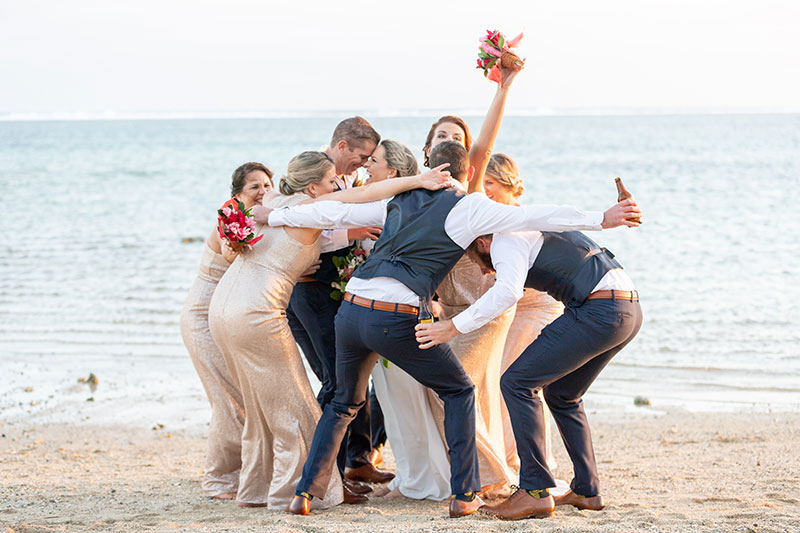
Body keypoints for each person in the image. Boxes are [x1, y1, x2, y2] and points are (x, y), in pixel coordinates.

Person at [258, 140, 641, 517]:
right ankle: (466, 496)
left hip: (352, 308)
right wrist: (601, 219)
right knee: (461, 390)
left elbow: (332, 216)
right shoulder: (472, 207)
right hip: (395, 313)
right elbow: (537, 215)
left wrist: (271, 217)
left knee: (343, 401)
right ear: (467, 173)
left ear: (431, 170)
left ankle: (305, 494)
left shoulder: (399, 200)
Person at [207, 151, 453, 510]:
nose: (339, 185)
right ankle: (297, 491)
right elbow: (367, 195)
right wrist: (418, 180)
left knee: (262, 407)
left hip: (224, 308)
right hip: (257, 312)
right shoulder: (310, 211)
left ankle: (256, 487)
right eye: (331, 181)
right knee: (297, 406)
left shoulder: (273, 200)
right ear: (313, 188)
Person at [415, 225, 643, 520]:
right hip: (628, 309)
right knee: (563, 395)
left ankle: (534, 492)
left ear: (483, 243)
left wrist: (452, 327)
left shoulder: (505, 242)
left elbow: (507, 292)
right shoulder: (531, 232)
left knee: (516, 383)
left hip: (599, 309)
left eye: (475, 259)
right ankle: (587, 490)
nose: (484, 270)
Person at [420, 67, 522, 498]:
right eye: (442, 135)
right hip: (445, 309)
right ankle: (465, 474)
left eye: (458, 138)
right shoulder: (413, 191)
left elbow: (487, 139)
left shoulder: (469, 187)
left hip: (480, 304)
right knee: (457, 392)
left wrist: (503, 87)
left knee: (456, 388)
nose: (451, 141)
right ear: (427, 148)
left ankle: (493, 475)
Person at [285, 118, 391, 490]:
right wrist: (353, 232)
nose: (364, 164)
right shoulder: (315, 172)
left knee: (352, 375)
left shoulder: (351, 179)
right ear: (343, 146)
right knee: (338, 380)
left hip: (341, 287)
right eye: (361, 156)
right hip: (313, 291)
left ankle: (357, 460)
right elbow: (303, 222)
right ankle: (322, 473)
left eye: (370, 160)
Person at [179, 162, 272, 500]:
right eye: (254, 187)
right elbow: (241, 262)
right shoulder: (228, 224)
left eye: (267, 185)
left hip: (226, 319)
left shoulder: (257, 220)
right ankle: (218, 479)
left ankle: (239, 472)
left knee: (241, 397)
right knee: (228, 398)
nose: (263, 191)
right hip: (203, 318)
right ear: (238, 194)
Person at [482, 154, 564, 473]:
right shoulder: (494, 219)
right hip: (511, 310)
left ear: (508, 184)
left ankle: (515, 460)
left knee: (512, 381)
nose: (485, 190)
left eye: (490, 183)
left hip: (535, 307)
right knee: (510, 383)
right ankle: (513, 457)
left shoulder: (519, 220)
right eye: (482, 183)